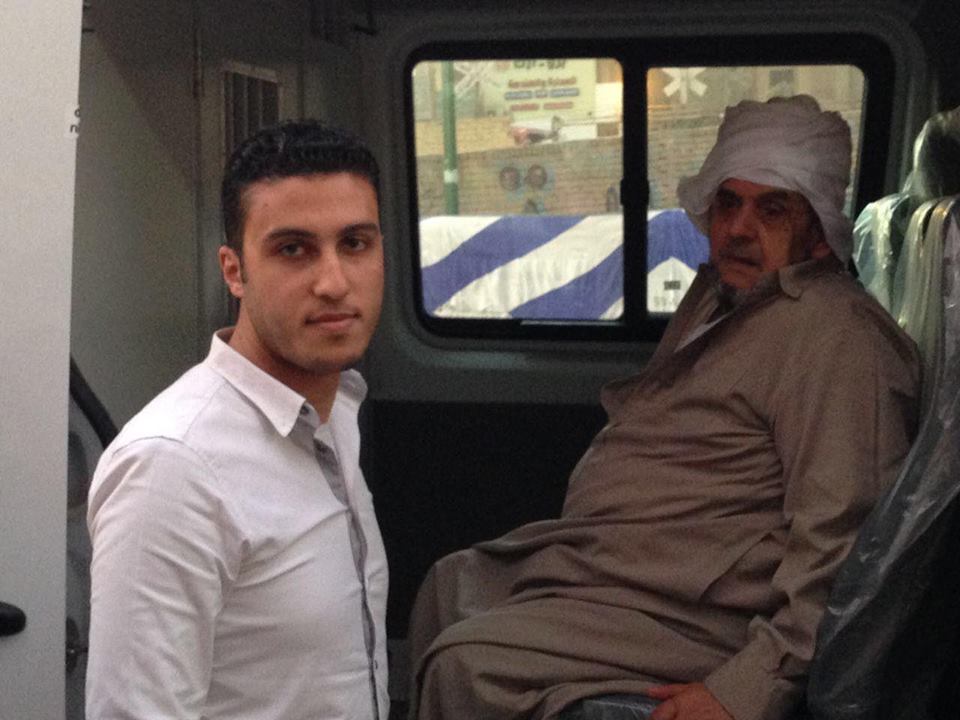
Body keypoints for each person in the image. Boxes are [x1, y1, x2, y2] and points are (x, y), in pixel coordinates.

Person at [407, 96, 921, 720]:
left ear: (817, 231)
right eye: (727, 203)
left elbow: (842, 541)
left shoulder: (840, 338)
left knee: (466, 665)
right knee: (451, 583)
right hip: (626, 566)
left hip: (696, 610)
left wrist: (747, 687)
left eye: (772, 209)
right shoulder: (727, 297)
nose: (738, 228)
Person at [86, 120, 389, 719]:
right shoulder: (173, 467)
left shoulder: (334, 413)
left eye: (355, 243)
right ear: (233, 270)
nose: (334, 283)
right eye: (293, 249)